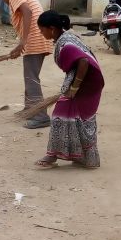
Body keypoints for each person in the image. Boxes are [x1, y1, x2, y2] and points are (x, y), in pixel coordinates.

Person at [35, 11, 104, 169]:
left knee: (60, 115)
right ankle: (85, 158)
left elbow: (84, 61)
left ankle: (52, 156)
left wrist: (74, 87)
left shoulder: (65, 45)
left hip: (87, 84)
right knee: (78, 118)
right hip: (88, 81)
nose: (41, 33)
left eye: (42, 29)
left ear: (52, 29)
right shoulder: (65, 36)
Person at [0, 0, 54, 129]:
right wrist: (20, 46)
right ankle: (30, 109)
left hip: (34, 40)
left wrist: (23, 41)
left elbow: (27, 12)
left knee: (31, 79)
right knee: (30, 77)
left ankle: (41, 117)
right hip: (37, 39)